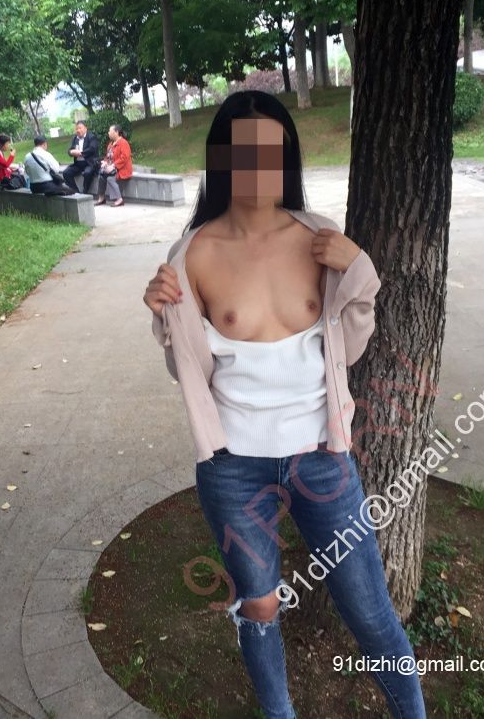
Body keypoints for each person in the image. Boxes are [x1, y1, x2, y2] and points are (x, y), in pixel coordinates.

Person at [142, 90, 426, 719]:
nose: (257, 169)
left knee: (370, 611)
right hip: (233, 468)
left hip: (322, 459)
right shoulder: (192, 255)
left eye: (271, 153)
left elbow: (349, 350)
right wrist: (165, 317)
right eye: (242, 153)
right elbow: (188, 372)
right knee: (260, 606)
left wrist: (361, 272)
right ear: (221, 159)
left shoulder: (319, 237)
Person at [94, 124, 133, 207]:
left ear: (116, 132)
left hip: (122, 170)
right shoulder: (111, 144)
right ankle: (101, 198)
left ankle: (119, 199)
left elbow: (124, 157)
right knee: (101, 176)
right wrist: (105, 163)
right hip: (112, 169)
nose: (108, 133)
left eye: (110, 131)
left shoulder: (123, 143)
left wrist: (113, 165)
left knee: (110, 178)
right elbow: (108, 157)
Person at [61, 120, 100, 194]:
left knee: (87, 173)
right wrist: (71, 152)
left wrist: (81, 153)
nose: (78, 130)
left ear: (85, 128)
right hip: (78, 164)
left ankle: (85, 191)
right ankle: (76, 192)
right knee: (66, 173)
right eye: (77, 129)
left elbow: (92, 148)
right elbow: (70, 149)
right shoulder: (75, 138)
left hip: (89, 163)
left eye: (80, 128)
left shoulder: (91, 137)